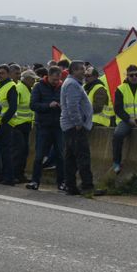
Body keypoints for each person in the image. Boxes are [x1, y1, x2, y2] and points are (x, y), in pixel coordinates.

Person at [59, 60, 95, 196]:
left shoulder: (72, 83)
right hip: (75, 127)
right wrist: (78, 122)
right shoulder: (73, 85)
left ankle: (71, 186)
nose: (84, 72)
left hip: (70, 126)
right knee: (82, 156)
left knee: (71, 158)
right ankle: (87, 186)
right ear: (73, 70)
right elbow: (72, 105)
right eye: (81, 69)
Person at [27, 67, 63, 191]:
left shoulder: (62, 87)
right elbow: (33, 105)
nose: (56, 82)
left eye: (58, 80)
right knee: (39, 155)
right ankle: (35, 181)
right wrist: (48, 105)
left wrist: (62, 106)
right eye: (54, 80)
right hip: (43, 126)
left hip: (59, 126)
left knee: (61, 155)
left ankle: (61, 183)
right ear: (48, 76)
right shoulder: (38, 87)